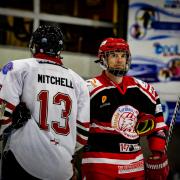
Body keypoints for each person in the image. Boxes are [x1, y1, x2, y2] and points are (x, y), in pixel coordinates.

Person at [0, 25, 90, 180]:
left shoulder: (17, 68)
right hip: (62, 169)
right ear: (60, 49)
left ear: (34, 45)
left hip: (22, 160)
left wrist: (10, 127)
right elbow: (82, 135)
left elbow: (2, 115)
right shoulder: (79, 81)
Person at [81, 38, 169, 180]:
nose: (120, 60)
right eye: (114, 55)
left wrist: (157, 152)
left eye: (123, 55)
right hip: (100, 167)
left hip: (134, 168)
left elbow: (157, 124)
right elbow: (75, 127)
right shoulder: (88, 89)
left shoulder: (143, 89)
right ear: (103, 59)